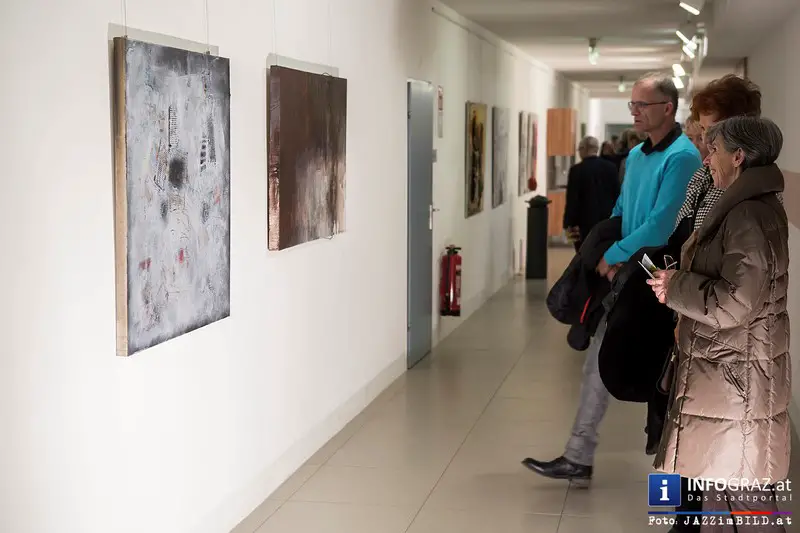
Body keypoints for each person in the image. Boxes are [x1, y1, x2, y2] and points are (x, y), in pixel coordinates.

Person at [590, 74, 763, 533]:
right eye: (701, 131)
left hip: (728, 351)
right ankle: (680, 523)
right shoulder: (707, 180)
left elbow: (737, 294)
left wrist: (673, 286)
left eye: (711, 133)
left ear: (740, 139)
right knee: (682, 443)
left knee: (744, 478)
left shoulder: (751, 205)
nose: (703, 143)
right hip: (692, 334)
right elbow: (684, 242)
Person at [522, 72, 702, 484]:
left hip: (662, 277)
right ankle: (578, 455)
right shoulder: (637, 156)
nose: (634, 112)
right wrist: (613, 250)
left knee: (666, 378)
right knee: (598, 360)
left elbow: (660, 226)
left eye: (642, 105)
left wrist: (615, 254)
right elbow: (623, 209)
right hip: (630, 275)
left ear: (668, 109)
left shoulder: (683, 158)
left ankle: (679, 480)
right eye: (632, 105)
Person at [648, 116, 790, 533]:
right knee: (723, 503)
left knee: (747, 511)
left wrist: (676, 286)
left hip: (735, 381)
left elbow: (734, 302)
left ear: (739, 156)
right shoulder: (750, 206)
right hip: (731, 375)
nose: (707, 159)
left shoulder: (746, 214)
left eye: (714, 151)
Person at [563, 136, 620, 251]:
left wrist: (568, 222)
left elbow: (572, 200)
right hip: (607, 220)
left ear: (584, 149)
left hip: (583, 223)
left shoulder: (576, 170)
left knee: (583, 254)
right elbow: (617, 195)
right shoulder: (611, 167)